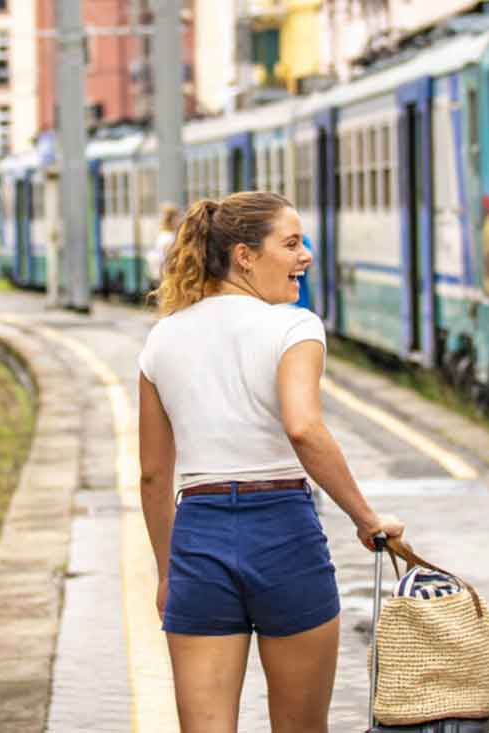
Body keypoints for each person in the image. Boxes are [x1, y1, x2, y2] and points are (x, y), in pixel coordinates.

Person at [138, 192, 405, 732]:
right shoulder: (293, 328)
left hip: (199, 534)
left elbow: (151, 474)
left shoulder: (161, 339)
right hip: (283, 532)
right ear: (244, 255)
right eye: (290, 243)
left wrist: (168, 571)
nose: (305, 254)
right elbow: (303, 427)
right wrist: (366, 518)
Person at [146, 203, 182, 290]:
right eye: (178, 217)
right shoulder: (168, 237)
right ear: (171, 219)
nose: (180, 220)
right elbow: (172, 259)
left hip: (165, 278)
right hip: (168, 278)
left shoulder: (165, 235)